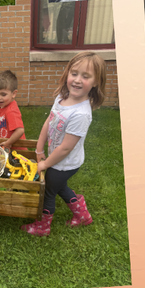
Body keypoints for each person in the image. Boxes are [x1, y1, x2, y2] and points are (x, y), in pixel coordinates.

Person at [22, 52, 107, 237]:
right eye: (74, 73)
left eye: (86, 76)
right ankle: (82, 215)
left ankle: (42, 227)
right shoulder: (62, 97)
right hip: (57, 159)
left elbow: (66, 148)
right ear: (67, 74)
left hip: (65, 164)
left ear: (95, 82)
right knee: (60, 187)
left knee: (48, 192)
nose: (77, 80)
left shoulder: (81, 114)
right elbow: (48, 123)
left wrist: (44, 164)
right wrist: (39, 148)